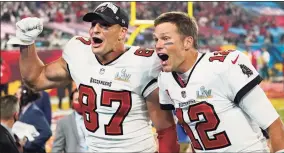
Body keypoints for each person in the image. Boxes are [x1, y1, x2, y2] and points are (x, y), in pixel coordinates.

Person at [8, 2, 179, 152]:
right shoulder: (79, 52)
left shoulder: (144, 64)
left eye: (105, 25)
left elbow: (165, 128)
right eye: (93, 24)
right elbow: (36, 79)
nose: (95, 29)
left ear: (122, 33)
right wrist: (26, 43)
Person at [153, 12, 284, 153]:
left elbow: (273, 124)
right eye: (156, 39)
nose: (158, 45)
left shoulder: (224, 66)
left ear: (187, 42)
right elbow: (198, 135)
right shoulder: (166, 80)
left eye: (165, 38)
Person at [16, 86, 52, 153]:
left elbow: (47, 132)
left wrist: (29, 145)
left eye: (18, 95)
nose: (16, 97)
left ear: (24, 97)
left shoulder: (34, 112)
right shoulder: (24, 110)